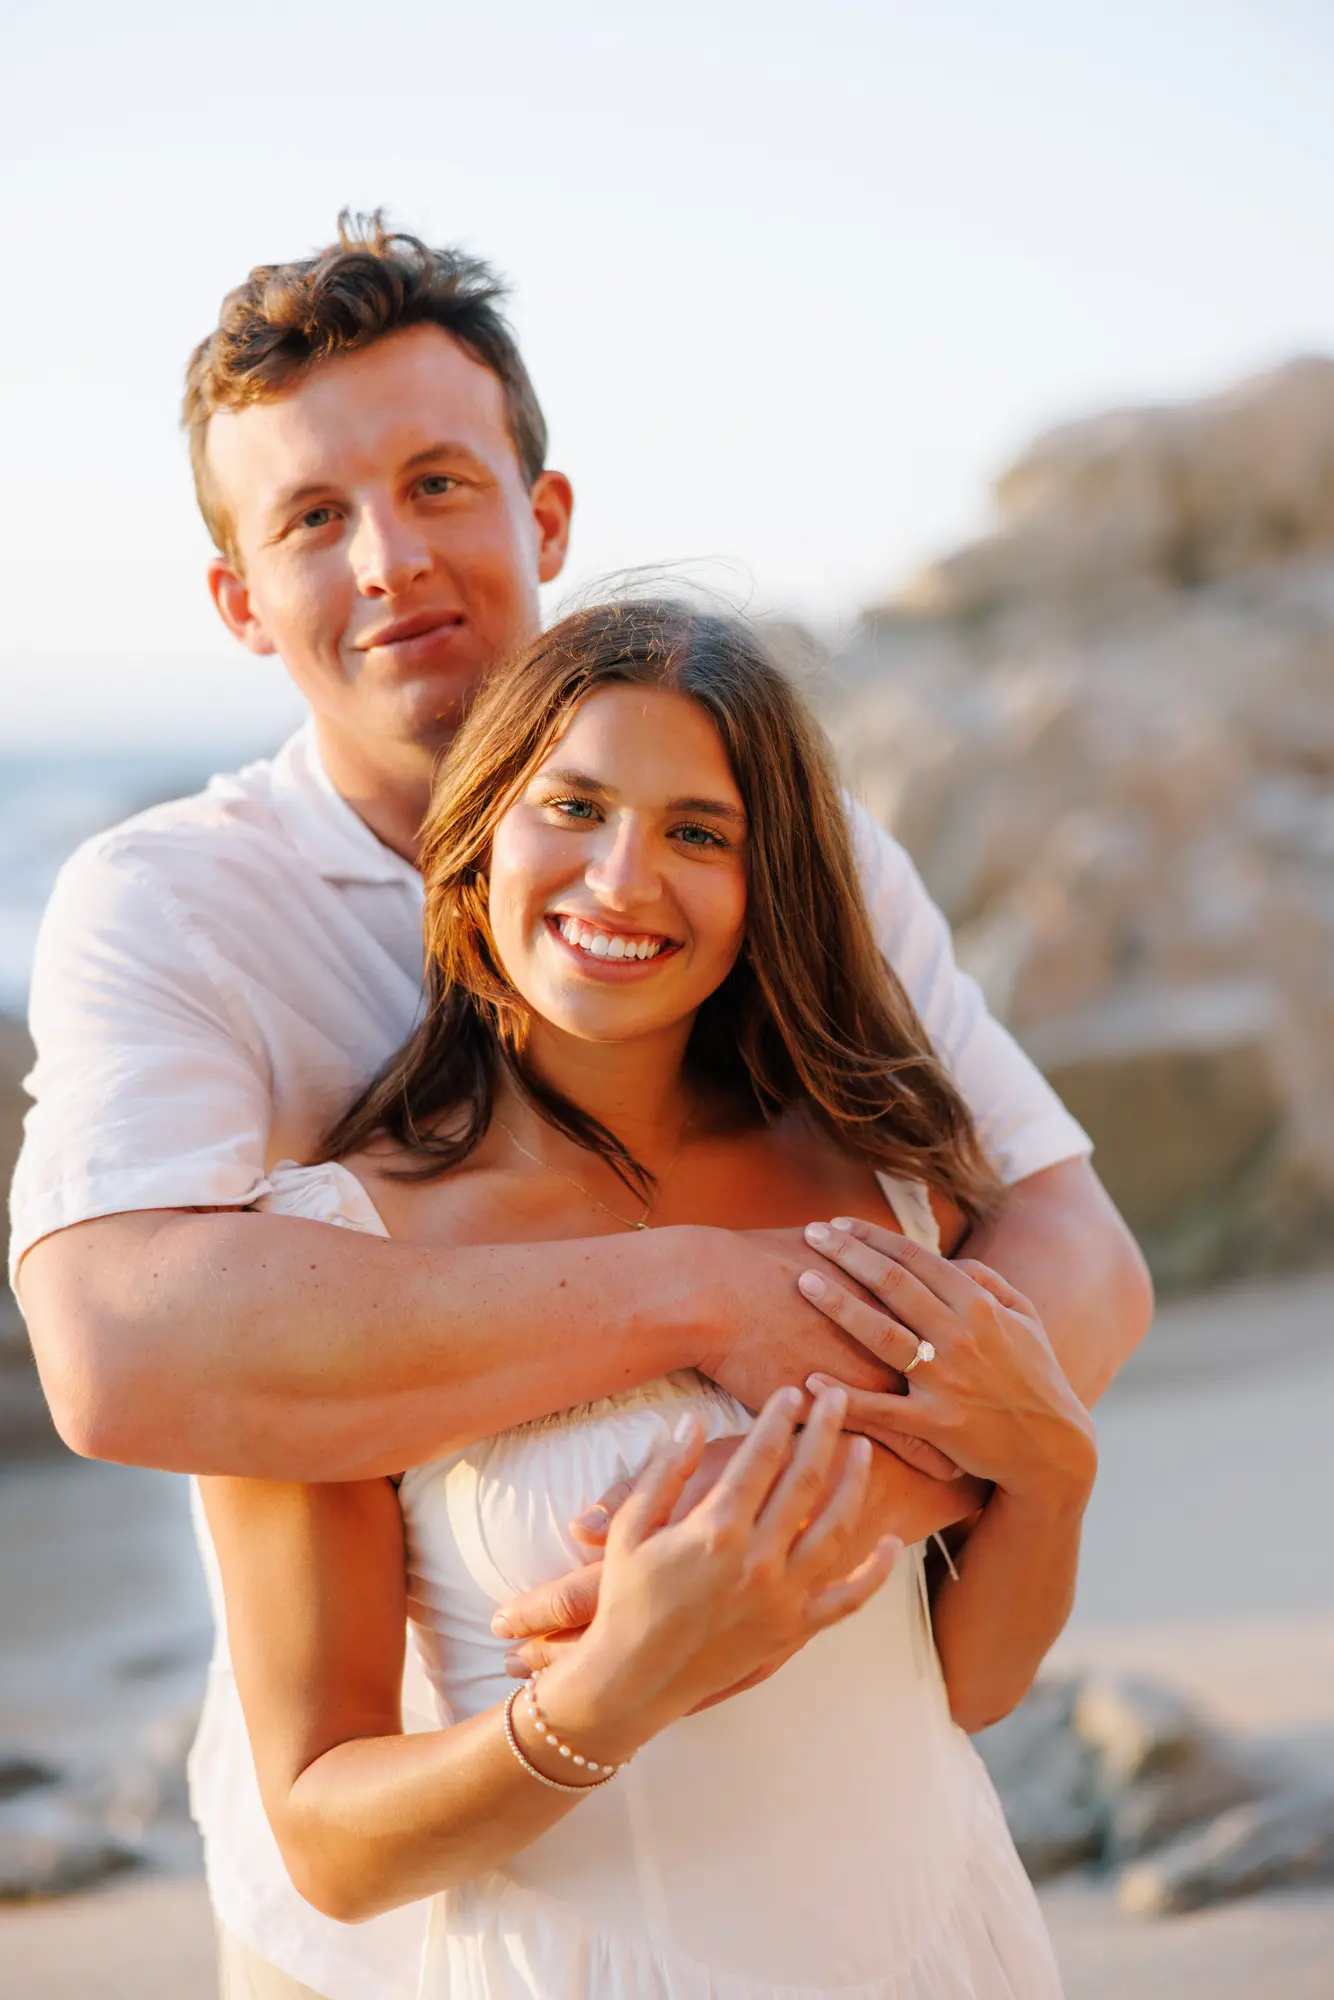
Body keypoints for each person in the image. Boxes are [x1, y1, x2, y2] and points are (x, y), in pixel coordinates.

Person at [8, 215, 1150, 1998]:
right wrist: (707, 1297)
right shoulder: (171, 906)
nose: (392, 557)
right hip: (391, 1927)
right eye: (312, 517)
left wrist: (820, 1501)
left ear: (542, 517)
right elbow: (118, 1358)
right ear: (241, 600)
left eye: (439, 480)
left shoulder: (807, 865)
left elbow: (1070, 1239)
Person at [202, 597, 1091, 1997]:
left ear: (766, 881)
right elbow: (329, 1840)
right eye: (573, 806)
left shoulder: (887, 1182)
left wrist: (1049, 1466)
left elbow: (964, 1689)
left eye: (698, 833)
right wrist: (615, 1688)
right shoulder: (334, 1253)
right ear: (480, 824)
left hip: (940, 1947)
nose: (621, 881)